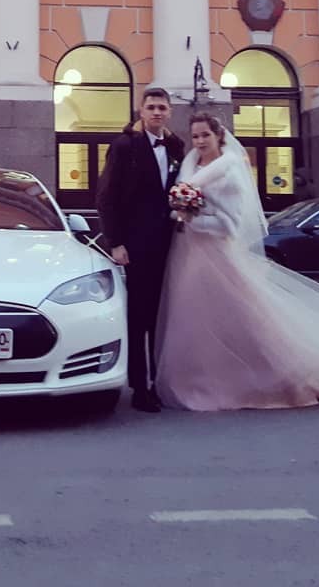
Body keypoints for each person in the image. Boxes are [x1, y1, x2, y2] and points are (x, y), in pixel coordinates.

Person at [156, 112, 319, 411]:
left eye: (206, 135)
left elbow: (230, 225)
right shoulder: (189, 166)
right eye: (196, 136)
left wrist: (192, 219)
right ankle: (201, 378)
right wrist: (181, 211)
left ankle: (272, 378)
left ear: (218, 136)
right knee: (194, 321)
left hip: (218, 255)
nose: (200, 141)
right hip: (189, 254)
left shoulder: (228, 172)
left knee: (242, 321)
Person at [96, 87, 185, 412]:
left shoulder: (175, 146)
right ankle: (139, 387)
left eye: (162, 107)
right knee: (139, 316)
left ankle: (159, 381)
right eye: (151, 107)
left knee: (161, 316)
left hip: (170, 243)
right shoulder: (124, 146)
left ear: (170, 112)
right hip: (136, 244)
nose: (157, 112)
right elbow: (106, 196)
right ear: (141, 111)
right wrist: (116, 242)